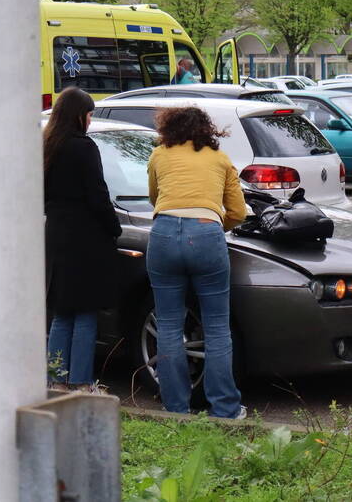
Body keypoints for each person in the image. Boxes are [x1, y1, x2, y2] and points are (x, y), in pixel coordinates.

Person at [146, 106, 248, 419]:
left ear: (169, 129)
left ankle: (176, 406)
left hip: (163, 234)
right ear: (207, 129)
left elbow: (154, 197)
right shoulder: (219, 159)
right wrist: (214, 224)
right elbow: (239, 212)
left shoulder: (159, 156)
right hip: (206, 234)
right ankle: (225, 408)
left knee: (168, 325)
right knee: (217, 327)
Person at [43, 87, 122, 389]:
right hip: (85, 238)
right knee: (86, 312)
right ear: (79, 115)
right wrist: (114, 228)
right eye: (89, 114)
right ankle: (81, 381)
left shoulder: (48, 145)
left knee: (63, 311)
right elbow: (98, 195)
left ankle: (55, 379)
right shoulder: (84, 147)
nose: (90, 120)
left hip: (57, 232)